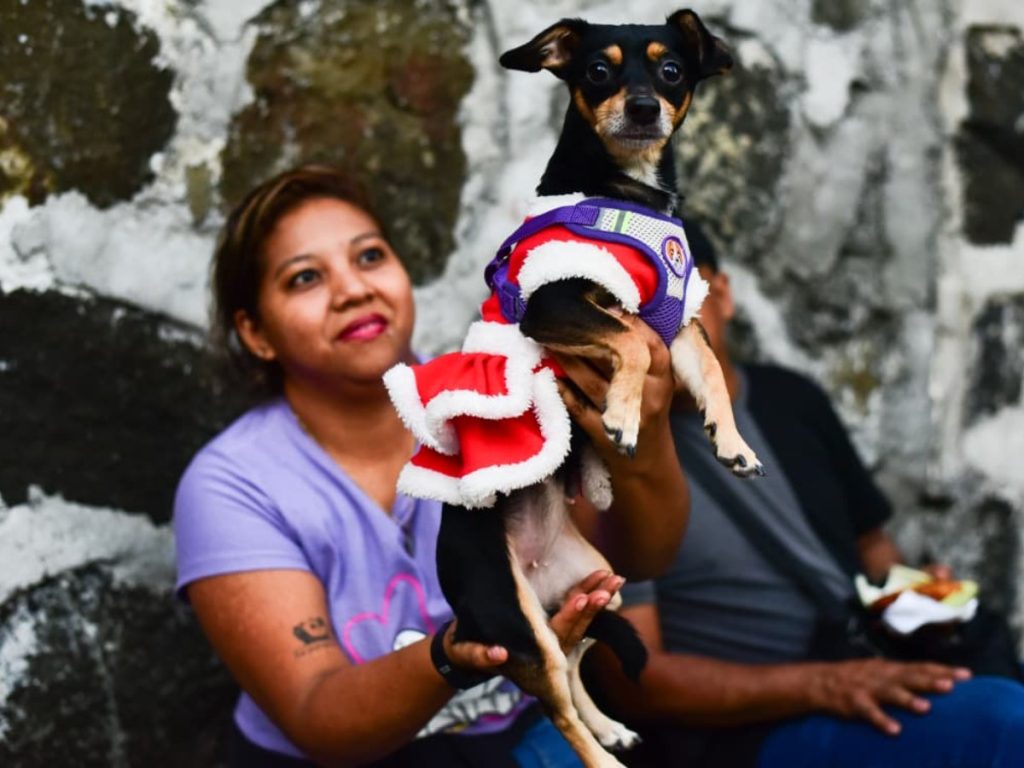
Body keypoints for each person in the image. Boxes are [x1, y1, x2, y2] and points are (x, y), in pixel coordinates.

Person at [172, 165, 689, 767]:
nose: (353, 289)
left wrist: (645, 445)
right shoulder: (233, 484)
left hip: (519, 739)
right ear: (255, 333)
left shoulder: (494, 396)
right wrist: (457, 650)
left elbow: (640, 556)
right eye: (306, 277)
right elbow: (317, 713)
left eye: (369, 257)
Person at [595, 220, 1024, 768]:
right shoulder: (608, 463)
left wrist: (919, 595)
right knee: (1002, 723)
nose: (652, 326)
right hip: (742, 734)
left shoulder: (788, 398)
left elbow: (873, 551)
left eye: (670, 294)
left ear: (720, 296)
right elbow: (638, 679)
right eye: (625, 310)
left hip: (857, 659)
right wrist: (826, 684)